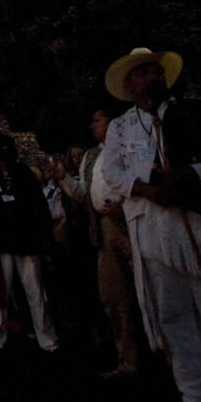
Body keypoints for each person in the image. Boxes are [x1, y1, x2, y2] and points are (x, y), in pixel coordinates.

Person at [101, 48, 201, 402]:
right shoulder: (120, 126)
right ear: (129, 83)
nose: (153, 77)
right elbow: (112, 172)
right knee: (173, 318)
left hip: (196, 228)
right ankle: (196, 396)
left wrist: (189, 178)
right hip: (151, 231)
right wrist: (148, 188)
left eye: (157, 71)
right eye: (144, 71)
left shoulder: (193, 113)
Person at [54, 107, 141, 378]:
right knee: (114, 296)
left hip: (132, 222)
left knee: (150, 288)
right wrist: (63, 178)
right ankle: (129, 358)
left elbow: (143, 180)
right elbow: (83, 193)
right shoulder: (92, 157)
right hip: (103, 228)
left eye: (97, 120)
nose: (93, 125)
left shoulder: (133, 146)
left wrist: (124, 203)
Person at [0, 134, 59, 352]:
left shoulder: (23, 173)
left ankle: (46, 337)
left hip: (26, 240)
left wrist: (43, 234)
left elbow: (38, 206)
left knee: (36, 291)